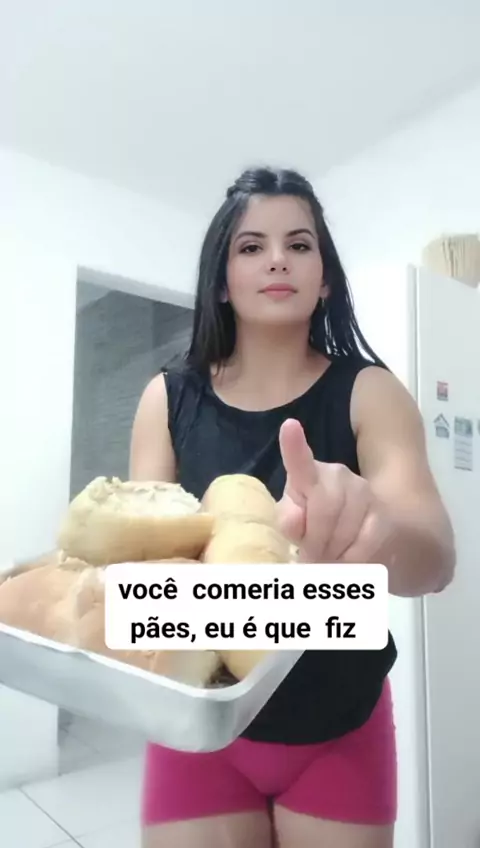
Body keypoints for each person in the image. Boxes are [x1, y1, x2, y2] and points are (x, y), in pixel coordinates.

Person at [129, 166, 455, 848]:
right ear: (222, 280)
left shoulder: (371, 393)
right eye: (251, 246)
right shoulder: (167, 399)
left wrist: (378, 531)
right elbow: (146, 573)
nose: (277, 259)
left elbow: (436, 562)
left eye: (299, 244)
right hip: (197, 727)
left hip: (341, 722)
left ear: (324, 277)